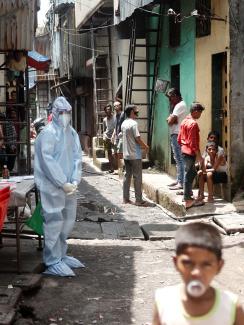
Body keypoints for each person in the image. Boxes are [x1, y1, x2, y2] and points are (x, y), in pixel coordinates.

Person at [152, 222, 244, 325]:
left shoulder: (232, 307)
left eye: (206, 264)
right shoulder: (163, 301)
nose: (196, 273)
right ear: (176, 263)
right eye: (187, 263)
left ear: (219, 266)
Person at [34, 96, 84, 277]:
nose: (65, 116)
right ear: (54, 113)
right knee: (54, 221)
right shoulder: (47, 134)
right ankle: (52, 260)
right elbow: (47, 162)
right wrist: (62, 183)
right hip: (52, 186)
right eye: (61, 112)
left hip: (69, 186)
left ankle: (61, 255)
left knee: (67, 221)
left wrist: (75, 179)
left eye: (68, 112)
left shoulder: (71, 133)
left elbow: (77, 157)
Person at [121, 104, 151, 206]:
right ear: (131, 112)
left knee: (127, 176)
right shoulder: (134, 124)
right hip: (135, 155)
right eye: (136, 111)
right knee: (137, 177)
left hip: (126, 155)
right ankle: (138, 200)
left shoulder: (124, 123)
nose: (137, 113)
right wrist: (146, 146)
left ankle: (126, 199)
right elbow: (137, 138)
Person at [178, 102, 205, 209]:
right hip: (190, 152)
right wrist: (199, 156)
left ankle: (187, 195)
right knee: (189, 175)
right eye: (200, 113)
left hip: (184, 151)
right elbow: (193, 143)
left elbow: (179, 139)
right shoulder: (193, 124)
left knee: (190, 173)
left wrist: (184, 147)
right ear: (196, 111)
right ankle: (188, 199)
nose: (200, 115)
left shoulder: (184, 121)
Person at [166, 88, 187, 190]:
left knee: (180, 159)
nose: (170, 100)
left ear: (175, 96)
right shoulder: (177, 106)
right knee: (178, 158)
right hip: (175, 134)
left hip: (178, 134)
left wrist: (171, 119)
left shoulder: (179, 105)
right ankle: (179, 180)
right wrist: (171, 119)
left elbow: (170, 121)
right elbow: (171, 120)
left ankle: (181, 182)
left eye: (170, 98)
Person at [111, 100, 125, 172]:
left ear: (120, 106)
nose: (115, 107)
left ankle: (121, 169)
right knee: (114, 153)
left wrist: (122, 133)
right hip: (116, 136)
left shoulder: (123, 114)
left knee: (120, 153)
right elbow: (115, 126)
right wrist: (113, 135)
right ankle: (119, 167)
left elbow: (124, 125)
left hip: (121, 136)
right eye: (114, 106)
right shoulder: (115, 116)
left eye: (117, 105)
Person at [103, 104, 116, 173]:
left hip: (113, 137)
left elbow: (115, 128)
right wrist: (104, 136)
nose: (108, 111)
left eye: (109, 109)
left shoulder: (114, 118)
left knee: (115, 152)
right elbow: (104, 129)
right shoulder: (105, 119)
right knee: (109, 153)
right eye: (107, 109)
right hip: (106, 137)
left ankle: (119, 167)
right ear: (105, 111)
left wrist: (113, 137)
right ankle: (111, 168)